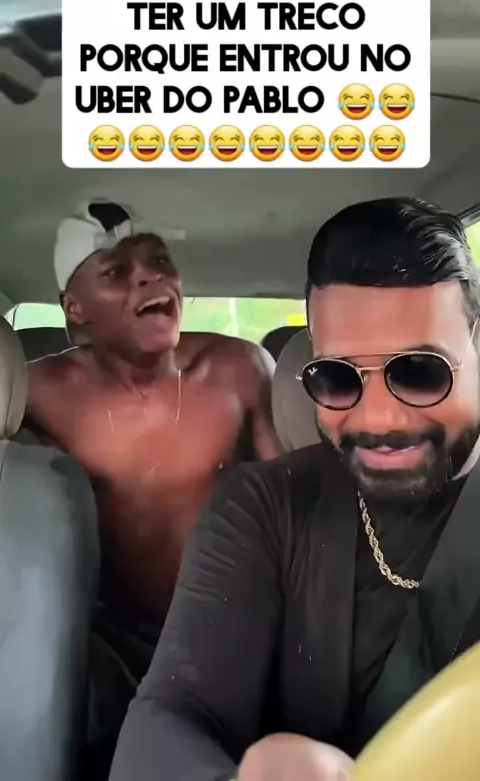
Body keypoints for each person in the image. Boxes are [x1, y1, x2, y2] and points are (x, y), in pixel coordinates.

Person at [109, 197, 480, 781]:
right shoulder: (265, 507)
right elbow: (166, 723)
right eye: (338, 377)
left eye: (420, 371)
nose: (378, 418)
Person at [25, 199, 280, 769]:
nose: (149, 277)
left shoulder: (238, 369)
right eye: (116, 271)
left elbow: (292, 507)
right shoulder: (42, 392)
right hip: (112, 641)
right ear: (75, 307)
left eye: (159, 261)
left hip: (229, 629)